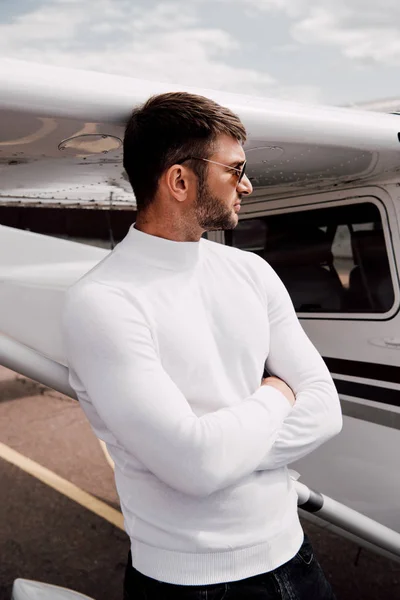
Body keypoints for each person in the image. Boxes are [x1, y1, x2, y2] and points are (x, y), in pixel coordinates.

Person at [62, 92, 342, 599]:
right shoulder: (102, 301)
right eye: (235, 170)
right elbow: (196, 466)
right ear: (180, 181)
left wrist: (216, 453)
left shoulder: (252, 272)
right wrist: (275, 395)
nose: (248, 185)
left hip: (295, 558)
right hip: (189, 584)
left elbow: (327, 411)